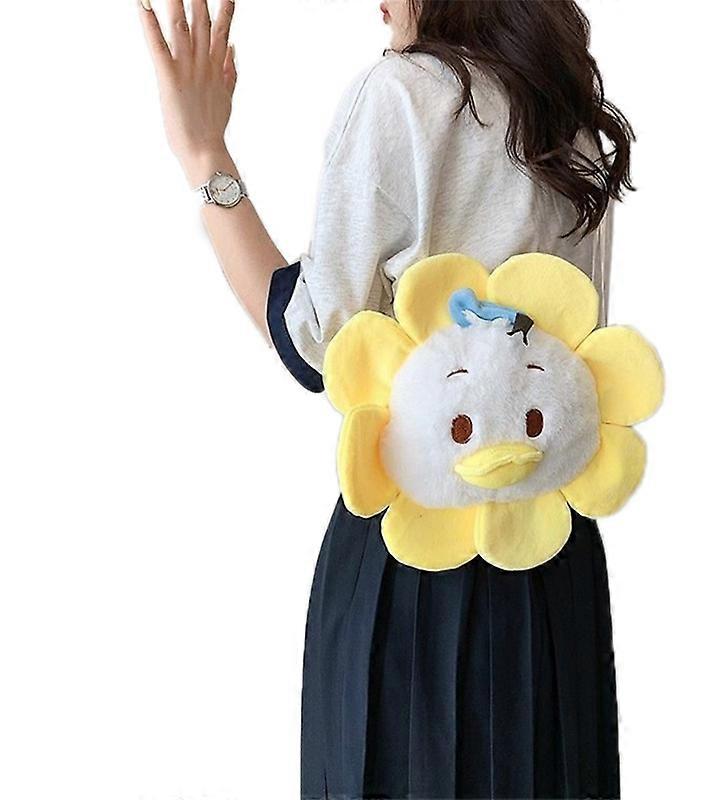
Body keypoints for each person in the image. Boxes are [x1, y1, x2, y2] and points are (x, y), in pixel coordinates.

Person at [138, 1, 634, 797]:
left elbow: (317, 344)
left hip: (415, 567)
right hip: (551, 566)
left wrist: (203, 154)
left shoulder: (400, 94)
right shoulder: (566, 113)